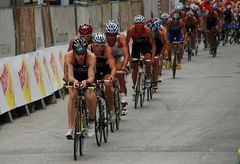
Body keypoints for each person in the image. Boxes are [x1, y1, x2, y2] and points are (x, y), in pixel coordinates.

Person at [65, 38, 96, 139]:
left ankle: (91, 121)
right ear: (73, 51)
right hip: (75, 76)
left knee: (90, 97)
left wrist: (86, 82)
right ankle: (70, 128)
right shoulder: (68, 56)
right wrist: (74, 81)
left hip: (86, 78)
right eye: (78, 54)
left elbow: (91, 77)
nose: (81, 57)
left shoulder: (91, 57)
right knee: (73, 95)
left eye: (83, 54)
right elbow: (69, 75)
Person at [127, 15, 156, 99]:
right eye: (137, 25)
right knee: (135, 68)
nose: (139, 27)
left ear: (144, 25)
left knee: (147, 60)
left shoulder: (147, 31)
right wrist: (129, 56)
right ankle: (134, 86)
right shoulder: (130, 31)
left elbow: (153, 45)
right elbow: (126, 43)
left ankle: (147, 79)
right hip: (136, 46)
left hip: (146, 46)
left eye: (141, 25)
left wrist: (152, 57)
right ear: (134, 25)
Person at [105, 20, 130, 116]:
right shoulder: (104, 40)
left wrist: (124, 66)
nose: (111, 37)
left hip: (119, 57)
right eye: (109, 35)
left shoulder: (121, 39)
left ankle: (123, 97)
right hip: (109, 58)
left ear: (116, 34)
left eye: (113, 35)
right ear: (106, 34)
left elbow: (126, 54)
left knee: (119, 71)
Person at [92, 32, 117, 121]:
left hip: (105, 69)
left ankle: (111, 109)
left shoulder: (107, 50)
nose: (100, 48)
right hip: (93, 70)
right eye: (97, 46)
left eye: (102, 45)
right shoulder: (88, 50)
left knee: (107, 84)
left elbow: (113, 67)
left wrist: (112, 76)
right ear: (93, 44)